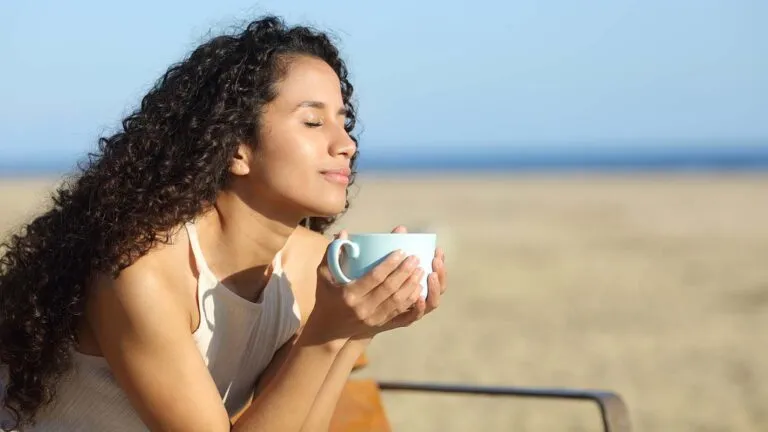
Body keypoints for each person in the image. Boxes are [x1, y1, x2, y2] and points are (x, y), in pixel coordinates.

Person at [0, 15, 447, 431]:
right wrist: (328, 335)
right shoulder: (142, 269)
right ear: (236, 148)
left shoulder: (316, 268)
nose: (345, 143)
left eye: (343, 122)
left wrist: (356, 329)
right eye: (312, 121)